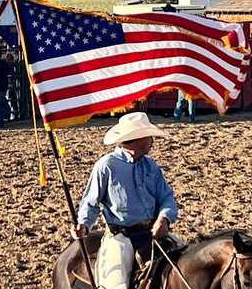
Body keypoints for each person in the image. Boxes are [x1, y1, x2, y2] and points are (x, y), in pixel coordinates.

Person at [72, 111, 179, 265]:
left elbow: (167, 198)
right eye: (150, 137)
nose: (153, 141)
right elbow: (90, 202)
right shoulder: (106, 166)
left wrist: (164, 218)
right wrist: (83, 225)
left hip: (152, 233)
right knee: (115, 286)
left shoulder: (151, 166)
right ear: (141, 140)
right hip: (120, 238)